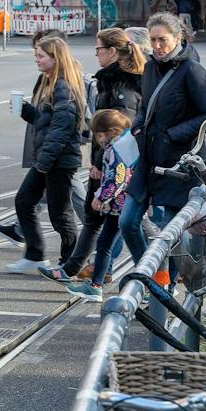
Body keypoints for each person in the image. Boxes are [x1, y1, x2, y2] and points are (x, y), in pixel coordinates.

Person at [115, 14, 206, 270]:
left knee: (172, 233)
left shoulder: (191, 70)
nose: (157, 45)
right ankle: (148, 273)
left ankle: (167, 285)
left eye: (162, 40)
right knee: (127, 221)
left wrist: (173, 134)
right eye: (153, 40)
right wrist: (138, 126)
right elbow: (146, 105)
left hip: (179, 163)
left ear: (177, 38)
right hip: (149, 158)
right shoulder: (151, 67)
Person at [57, 28, 147, 281]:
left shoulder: (121, 86)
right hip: (107, 161)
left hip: (113, 164)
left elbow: (117, 131)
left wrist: (97, 162)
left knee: (121, 222)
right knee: (105, 223)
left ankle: (155, 272)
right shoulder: (110, 80)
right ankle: (92, 272)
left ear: (112, 51)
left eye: (98, 49)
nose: (95, 53)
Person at [6, 33, 85, 275]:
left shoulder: (63, 86)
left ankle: (70, 263)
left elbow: (62, 129)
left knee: (60, 213)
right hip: (49, 158)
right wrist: (27, 111)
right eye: (36, 55)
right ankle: (35, 255)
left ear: (55, 58)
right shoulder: (49, 82)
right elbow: (46, 121)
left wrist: (43, 162)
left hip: (58, 160)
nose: (37, 60)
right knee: (24, 201)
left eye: (41, 56)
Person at [70, 109, 137, 298]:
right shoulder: (125, 145)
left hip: (120, 206)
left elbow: (117, 178)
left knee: (118, 245)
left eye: (99, 135)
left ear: (110, 133)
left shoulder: (115, 149)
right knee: (106, 243)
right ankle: (96, 284)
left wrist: (100, 197)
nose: (97, 140)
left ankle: (98, 285)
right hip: (124, 204)